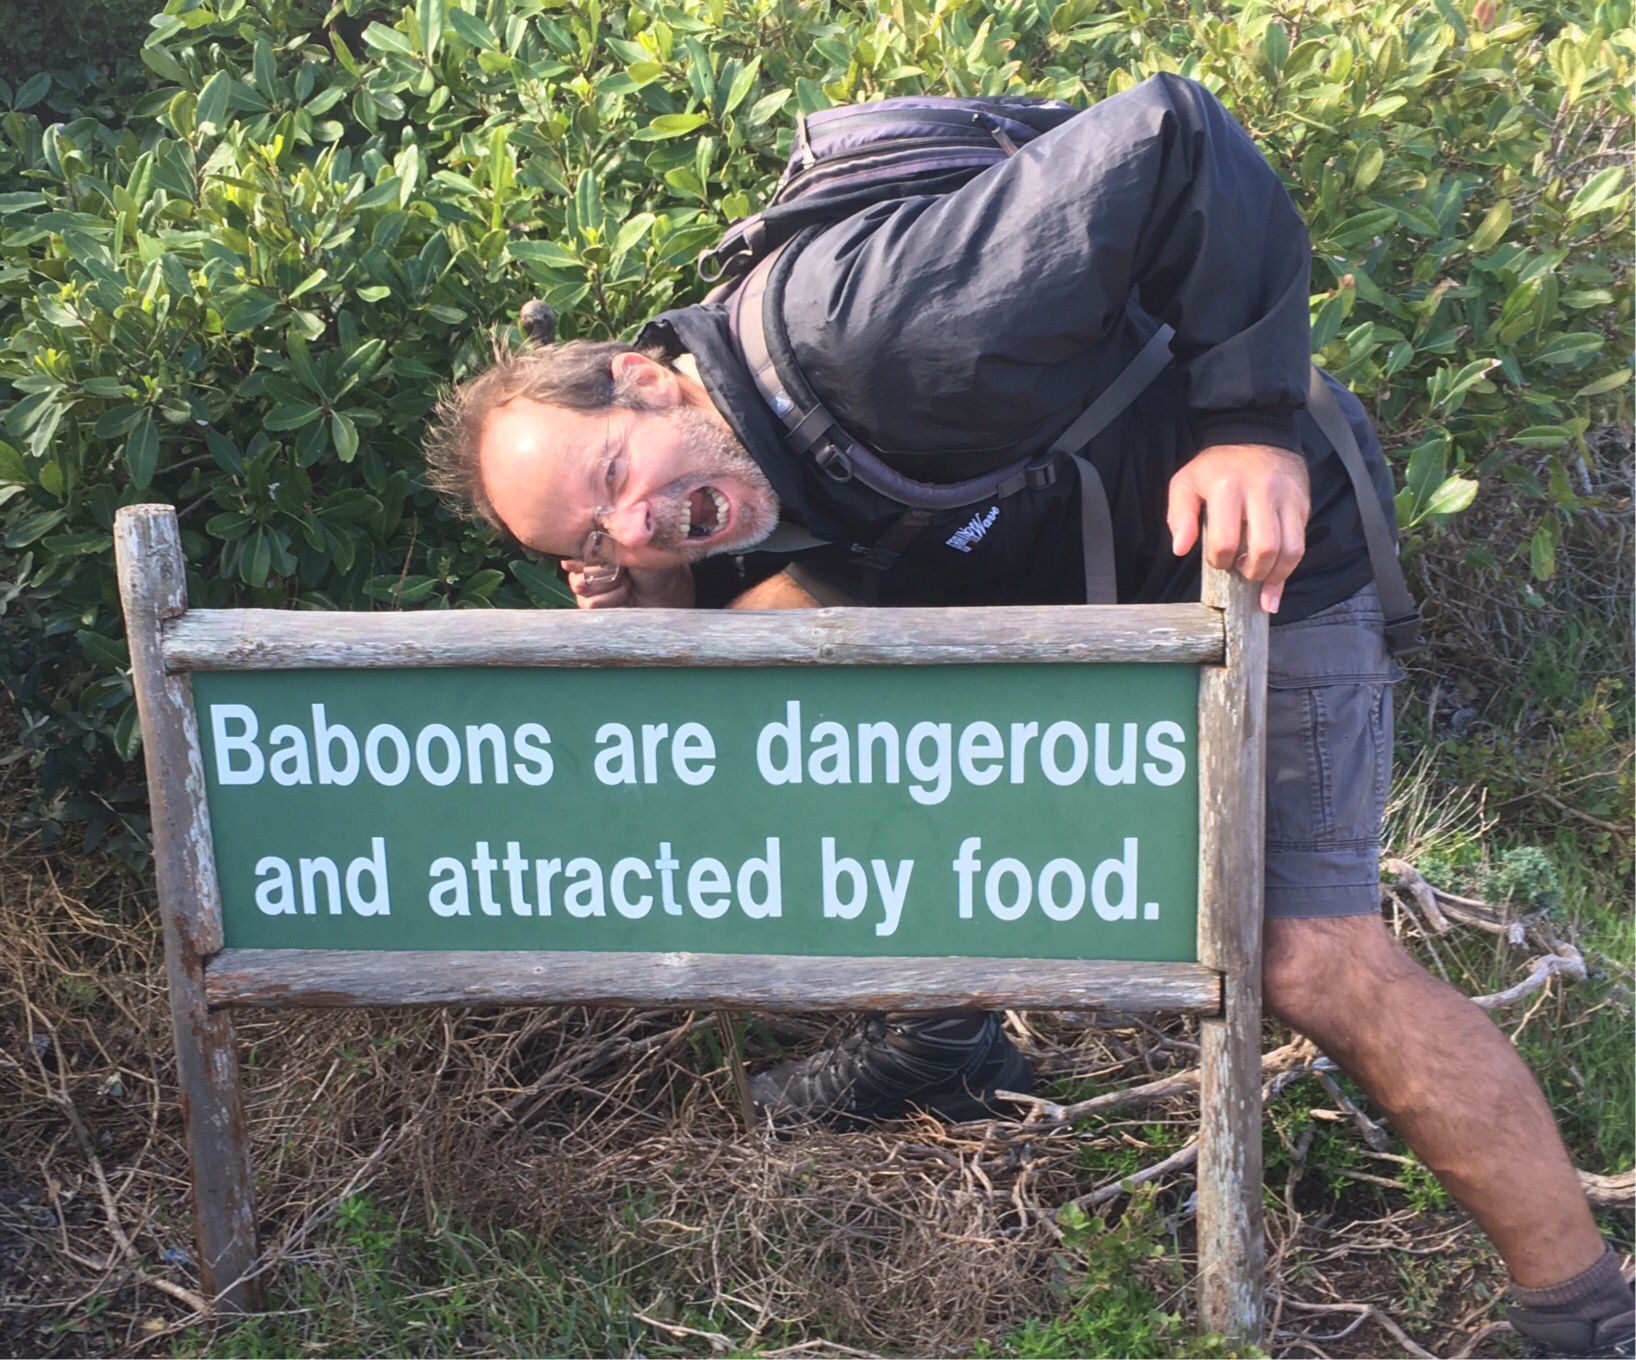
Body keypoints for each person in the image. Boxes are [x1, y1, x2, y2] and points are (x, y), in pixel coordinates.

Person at [424, 73, 1632, 1356]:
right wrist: (658, 599)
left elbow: (1176, 136)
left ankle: (1585, 1311)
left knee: (1306, 954)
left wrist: (1247, 426)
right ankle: (943, 1036)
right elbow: (733, 694)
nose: (633, 523)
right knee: (772, 688)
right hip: (1076, 558)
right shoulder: (722, 483)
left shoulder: (875, 326)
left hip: (1259, 545)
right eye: (591, 535)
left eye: (615, 474)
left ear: (646, 379)